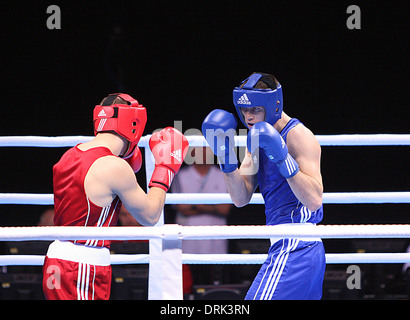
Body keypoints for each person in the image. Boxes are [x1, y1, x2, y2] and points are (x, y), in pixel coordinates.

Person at [42, 93, 188, 300]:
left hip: (57, 261)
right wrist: (165, 168)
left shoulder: (70, 155)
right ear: (134, 123)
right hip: (83, 266)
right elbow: (150, 216)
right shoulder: (113, 166)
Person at [202, 72, 325, 300]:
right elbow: (241, 197)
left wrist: (282, 158)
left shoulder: (299, 136)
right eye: (244, 110)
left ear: (274, 105)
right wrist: (226, 157)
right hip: (287, 245)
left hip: (297, 244)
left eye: (255, 110)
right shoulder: (256, 136)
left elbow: (315, 200)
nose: (248, 117)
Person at [171, 147, 232, 286]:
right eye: (199, 149)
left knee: (214, 284)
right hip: (188, 239)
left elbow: (224, 209)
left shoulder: (222, 174)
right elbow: (182, 208)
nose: (203, 153)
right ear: (191, 152)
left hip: (215, 239)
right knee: (189, 282)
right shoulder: (180, 175)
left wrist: (195, 205)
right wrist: (212, 206)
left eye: (207, 149)